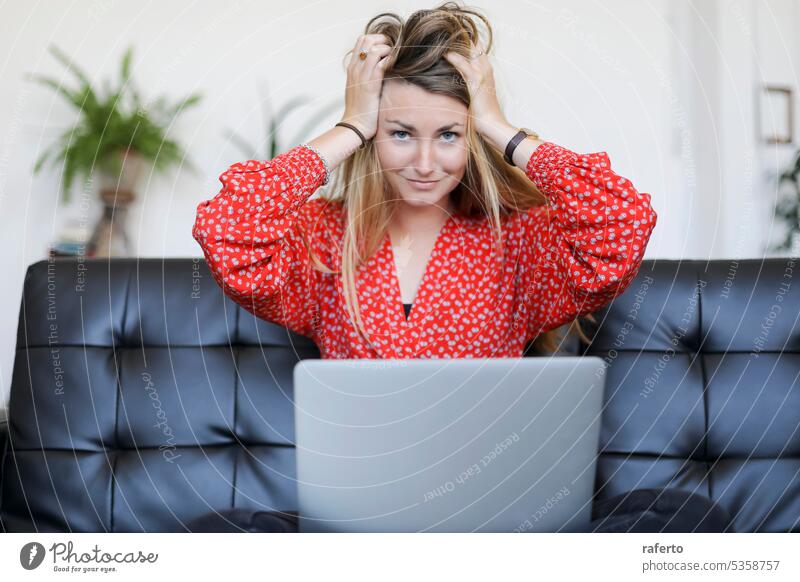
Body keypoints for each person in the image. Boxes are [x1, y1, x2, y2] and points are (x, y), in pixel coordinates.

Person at [190, 2, 728, 533]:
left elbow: (622, 223)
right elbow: (228, 231)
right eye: (399, 133)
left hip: (502, 522)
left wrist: (498, 126)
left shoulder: (518, 239)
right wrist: (352, 124)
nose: (425, 164)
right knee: (216, 535)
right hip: (362, 525)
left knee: (687, 516)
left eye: (449, 135)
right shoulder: (324, 235)